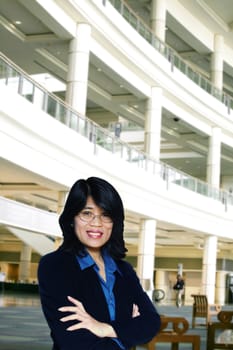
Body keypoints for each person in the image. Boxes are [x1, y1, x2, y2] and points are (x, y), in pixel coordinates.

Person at [38, 177, 161, 350]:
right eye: (87, 213)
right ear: (72, 218)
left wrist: (104, 328)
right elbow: (74, 341)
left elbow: (151, 322)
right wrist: (127, 332)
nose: (96, 223)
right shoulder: (55, 266)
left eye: (106, 215)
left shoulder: (123, 270)